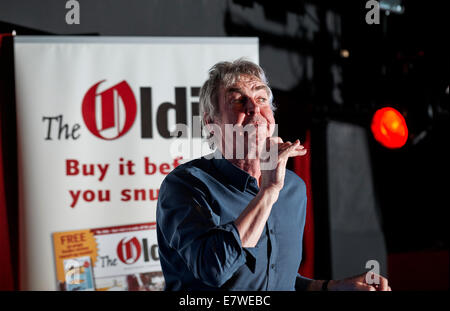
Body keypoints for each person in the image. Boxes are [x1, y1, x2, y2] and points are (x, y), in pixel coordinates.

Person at [156, 58, 391, 291]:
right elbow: (213, 270)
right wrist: (268, 192)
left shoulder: (292, 189)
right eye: (238, 100)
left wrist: (329, 287)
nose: (254, 108)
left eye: (261, 99)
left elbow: (273, 279)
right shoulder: (186, 185)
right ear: (210, 122)